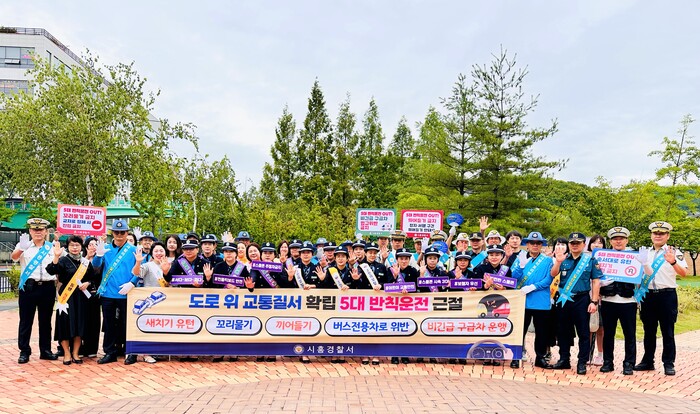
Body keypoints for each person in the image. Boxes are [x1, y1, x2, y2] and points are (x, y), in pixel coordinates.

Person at [634, 221, 687, 376]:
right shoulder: (645, 253)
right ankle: (647, 361)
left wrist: (673, 262)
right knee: (648, 330)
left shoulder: (674, 252)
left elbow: (684, 273)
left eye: (661, 233)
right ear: (651, 235)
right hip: (648, 295)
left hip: (666, 295)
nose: (658, 236)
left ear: (667, 236)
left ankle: (668, 363)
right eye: (655, 233)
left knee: (667, 331)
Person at [549, 232, 602, 375]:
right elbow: (553, 274)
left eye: (578, 243)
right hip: (564, 299)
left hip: (582, 299)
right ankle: (564, 359)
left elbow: (596, 281)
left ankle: (582, 362)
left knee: (583, 333)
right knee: (563, 331)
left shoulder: (590, 260)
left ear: (584, 245)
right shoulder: (563, 259)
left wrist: (594, 301)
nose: (575, 245)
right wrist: (558, 262)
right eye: (572, 243)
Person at [92, 219, 140, 365]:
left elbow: (140, 270)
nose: (119, 235)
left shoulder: (133, 249)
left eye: (122, 232)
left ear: (127, 233)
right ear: (112, 233)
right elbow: (95, 266)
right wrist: (98, 255)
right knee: (109, 324)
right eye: (116, 232)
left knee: (128, 324)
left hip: (127, 293)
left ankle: (131, 352)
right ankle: (110, 352)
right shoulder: (106, 248)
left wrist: (132, 283)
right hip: (108, 292)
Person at [12, 218, 59, 364]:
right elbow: (14, 258)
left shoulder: (52, 247)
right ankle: (24, 351)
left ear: (46, 232)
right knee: (26, 321)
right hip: (29, 288)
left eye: (41, 230)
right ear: (30, 231)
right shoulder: (23, 245)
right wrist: (21, 248)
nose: (38, 232)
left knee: (45, 321)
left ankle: (45, 350)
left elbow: (60, 265)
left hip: (47, 287)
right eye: (35, 229)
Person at [46, 235, 98, 365]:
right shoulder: (63, 260)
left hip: (81, 297)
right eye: (72, 245)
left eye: (77, 245)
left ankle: (75, 353)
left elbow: (93, 278)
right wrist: (56, 256)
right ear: (68, 247)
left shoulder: (85, 262)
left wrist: (88, 283)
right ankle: (67, 353)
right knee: (65, 324)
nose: (75, 248)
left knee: (79, 325)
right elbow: (51, 270)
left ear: (81, 247)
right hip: (66, 297)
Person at [511, 232, 554, 369]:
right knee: (520, 331)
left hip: (540, 301)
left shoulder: (547, 260)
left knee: (541, 332)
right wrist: (520, 266)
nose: (535, 245)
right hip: (523, 301)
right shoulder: (520, 258)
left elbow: (549, 279)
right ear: (527, 245)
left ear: (541, 245)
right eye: (532, 243)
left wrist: (533, 287)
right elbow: (513, 277)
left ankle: (540, 357)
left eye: (538, 243)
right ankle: (516, 356)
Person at [599, 227, 637, 375]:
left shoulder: (634, 257)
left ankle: (629, 363)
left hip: (628, 301)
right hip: (608, 300)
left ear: (627, 240)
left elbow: (643, 277)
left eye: (621, 238)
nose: (618, 241)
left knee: (630, 334)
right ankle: (608, 362)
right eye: (615, 239)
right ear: (610, 241)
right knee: (608, 334)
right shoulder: (603, 257)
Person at [208, 241, 254, 362]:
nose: (228, 254)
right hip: (220, 302)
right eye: (226, 251)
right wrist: (208, 277)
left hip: (236, 303)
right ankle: (219, 352)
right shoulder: (218, 267)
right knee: (220, 326)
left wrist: (238, 287)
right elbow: (211, 285)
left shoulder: (242, 268)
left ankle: (234, 351)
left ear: (236, 254)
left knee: (234, 326)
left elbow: (249, 287)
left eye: (231, 251)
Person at [131, 241, 171, 363]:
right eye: (156, 251)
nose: (159, 253)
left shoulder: (171, 264)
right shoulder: (148, 265)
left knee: (162, 326)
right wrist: (138, 262)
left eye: (161, 251)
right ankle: (146, 353)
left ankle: (160, 351)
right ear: (152, 253)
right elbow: (136, 273)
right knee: (149, 326)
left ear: (165, 252)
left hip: (166, 300)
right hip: (151, 301)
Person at [386, 248, 419, 364]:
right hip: (394, 304)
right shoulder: (390, 270)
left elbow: (417, 287)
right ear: (397, 259)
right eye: (401, 258)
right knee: (395, 329)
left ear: (409, 260)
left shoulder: (413, 271)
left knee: (407, 329)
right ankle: (394, 355)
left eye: (406, 259)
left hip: (408, 305)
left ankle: (405, 354)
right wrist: (395, 277)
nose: (404, 261)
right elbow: (386, 286)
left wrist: (409, 291)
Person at [80, 237, 102, 358]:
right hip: (80, 293)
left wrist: (89, 283)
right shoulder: (81, 259)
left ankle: (92, 348)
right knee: (81, 320)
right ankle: (80, 347)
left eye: (95, 244)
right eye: (90, 244)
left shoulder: (101, 260)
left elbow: (98, 277)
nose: (93, 247)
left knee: (93, 321)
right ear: (86, 247)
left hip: (94, 294)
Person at [587, 234, 606, 366]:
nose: (597, 244)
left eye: (600, 242)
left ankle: (600, 355)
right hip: (587, 297)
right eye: (594, 242)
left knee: (601, 328)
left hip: (603, 298)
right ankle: (587, 354)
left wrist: (600, 289)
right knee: (588, 327)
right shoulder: (585, 258)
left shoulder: (609, 259)